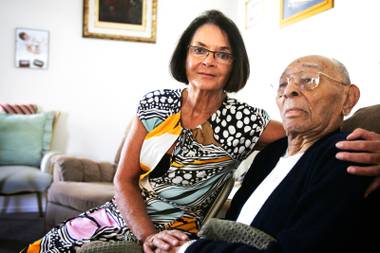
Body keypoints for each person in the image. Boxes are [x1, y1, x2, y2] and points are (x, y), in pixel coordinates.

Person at [22, 10, 380, 253]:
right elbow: (124, 179)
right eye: (200, 50)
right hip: (125, 216)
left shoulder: (247, 122)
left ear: (234, 65)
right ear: (186, 55)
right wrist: (148, 235)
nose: (209, 60)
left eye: (223, 54)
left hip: (181, 234)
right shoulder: (155, 103)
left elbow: (308, 134)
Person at [147, 55, 380, 253]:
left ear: (348, 98)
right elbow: (230, 228)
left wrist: (186, 249)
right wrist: (175, 241)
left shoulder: (346, 155)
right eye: (282, 84)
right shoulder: (269, 155)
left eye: (309, 80)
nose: (289, 91)